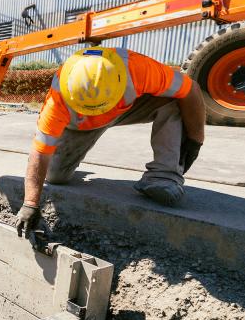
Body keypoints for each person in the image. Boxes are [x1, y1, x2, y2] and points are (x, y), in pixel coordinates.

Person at [14, 46, 206, 235]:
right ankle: (71, 153)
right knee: (56, 177)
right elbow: (40, 152)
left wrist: (196, 140)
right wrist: (30, 203)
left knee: (174, 100)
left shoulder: (137, 69)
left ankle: (165, 176)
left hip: (127, 108)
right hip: (80, 126)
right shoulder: (57, 100)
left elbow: (191, 90)